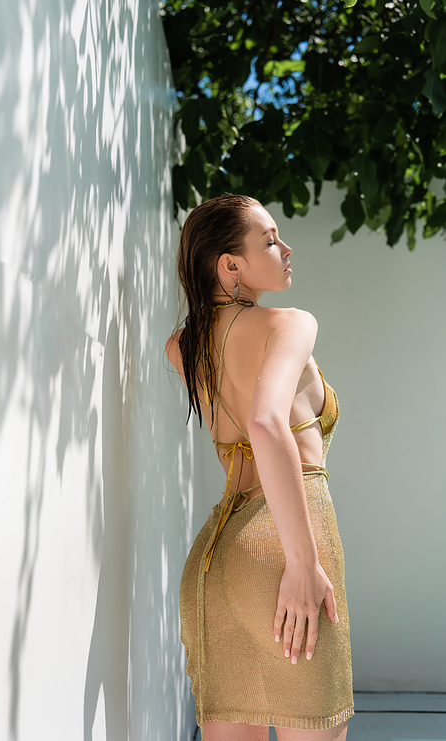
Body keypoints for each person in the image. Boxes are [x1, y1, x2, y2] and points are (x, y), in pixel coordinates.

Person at [166, 195, 353, 741]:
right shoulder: (290, 324)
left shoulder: (183, 346)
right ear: (231, 265)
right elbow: (268, 423)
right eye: (271, 238)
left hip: (218, 561)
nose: (287, 247)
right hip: (287, 544)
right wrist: (301, 562)